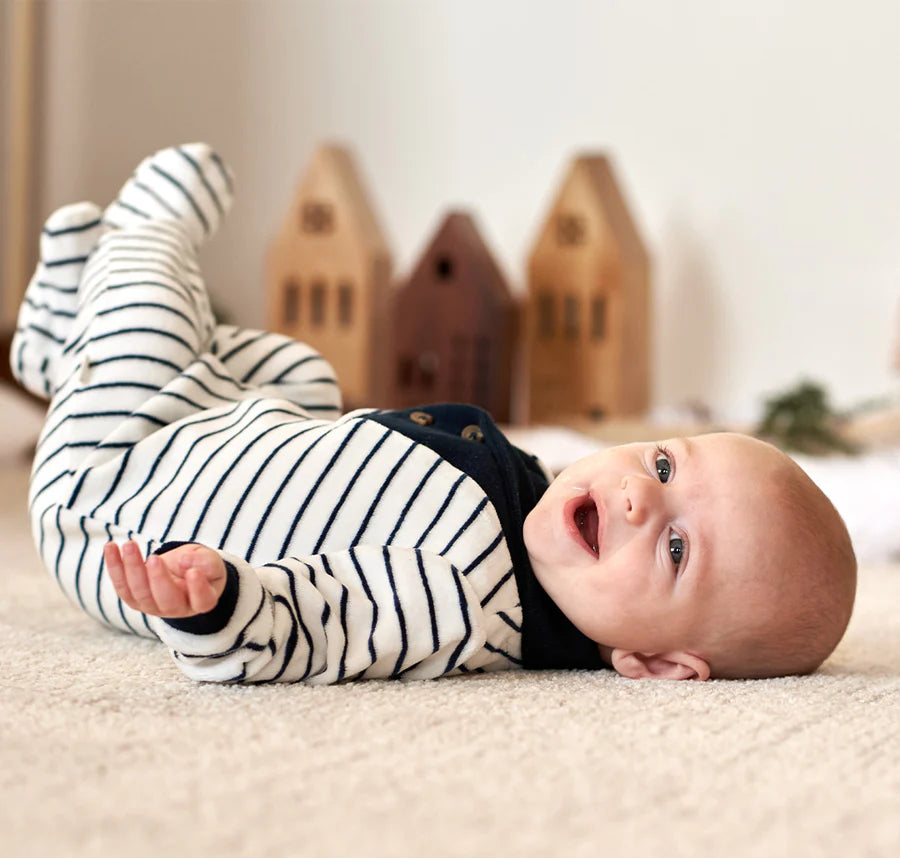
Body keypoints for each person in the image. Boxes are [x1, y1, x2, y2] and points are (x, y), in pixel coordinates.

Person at [11, 145, 857, 685]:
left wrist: (222, 603)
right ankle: (57, 349)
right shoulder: (526, 496)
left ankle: (142, 238)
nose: (640, 497)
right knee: (300, 373)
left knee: (151, 314)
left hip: (110, 494)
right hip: (207, 434)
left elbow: (325, 622)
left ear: (658, 663)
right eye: (665, 465)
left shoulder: (463, 598)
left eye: (676, 547)